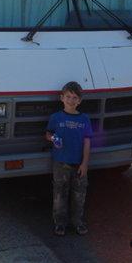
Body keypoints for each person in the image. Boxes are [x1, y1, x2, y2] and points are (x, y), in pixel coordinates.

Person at [45, 81, 92, 236]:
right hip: (60, 163)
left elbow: (87, 141)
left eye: (74, 98)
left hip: (79, 164)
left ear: (79, 101)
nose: (71, 100)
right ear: (62, 98)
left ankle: (77, 222)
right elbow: (48, 134)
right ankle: (60, 223)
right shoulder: (56, 117)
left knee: (79, 195)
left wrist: (85, 163)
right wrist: (53, 138)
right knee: (60, 195)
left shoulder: (85, 119)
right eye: (68, 97)